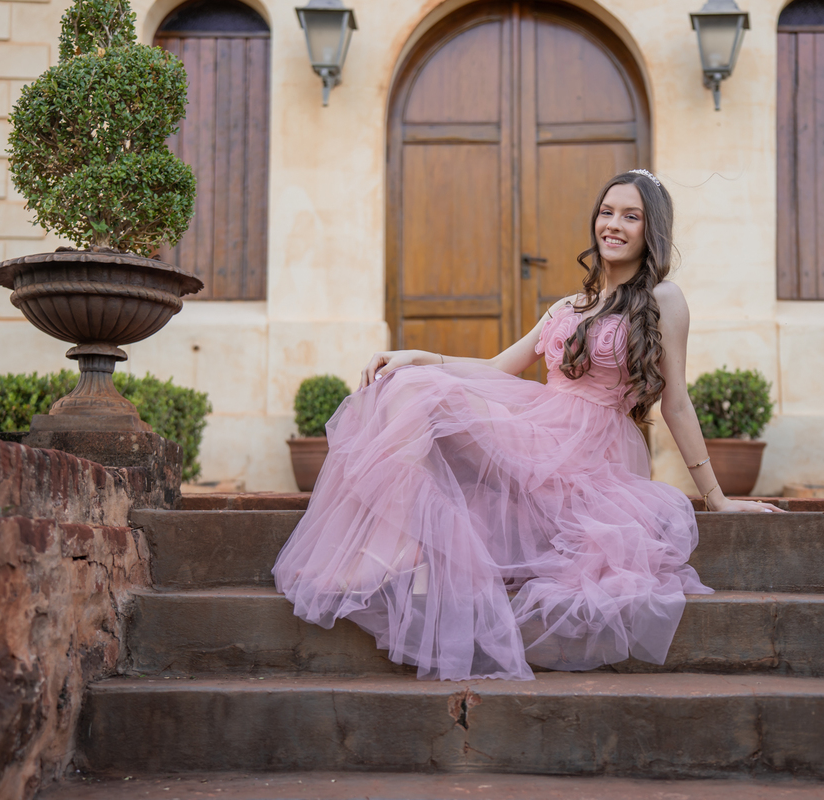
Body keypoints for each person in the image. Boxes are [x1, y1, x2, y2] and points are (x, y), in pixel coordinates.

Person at [273, 169, 782, 682]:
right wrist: (415, 355)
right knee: (405, 385)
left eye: (631, 216)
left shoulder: (664, 299)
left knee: (415, 392)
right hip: (538, 431)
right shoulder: (568, 306)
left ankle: (396, 547)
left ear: (652, 230)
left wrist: (716, 497)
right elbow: (497, 369)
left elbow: (677, 404)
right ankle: (398, 544)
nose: (613, 224)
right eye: (607, 212)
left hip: (589, 453)